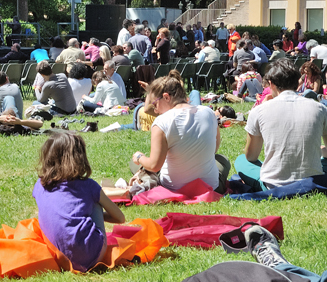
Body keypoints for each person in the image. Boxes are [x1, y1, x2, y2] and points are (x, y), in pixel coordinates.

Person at [32, 132, 126, 272]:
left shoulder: (40, 186)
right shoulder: (89, 186)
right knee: (96, 202)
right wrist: (96, 216)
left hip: (58, 257)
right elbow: (120, 218)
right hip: (91, 255)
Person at [131, 74, 228, 193]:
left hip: (173, 188)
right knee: (222, 160)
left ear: (166, 97)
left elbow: (154, 165)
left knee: (134, 162)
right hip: (210, 187)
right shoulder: (209, 113)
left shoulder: (161, 122)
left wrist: (139, 157)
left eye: (155, 104)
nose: (155, 110)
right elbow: (214, 149)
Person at [241, 59, 327, 191]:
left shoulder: (259, 111)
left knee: (242, 160)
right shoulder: (320, 109)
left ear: (271, 84)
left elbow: (251, 156)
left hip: (274, 183)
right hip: (313, 180)